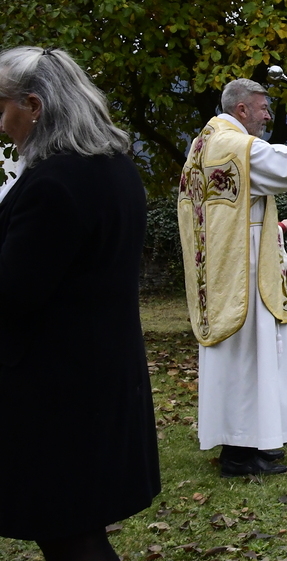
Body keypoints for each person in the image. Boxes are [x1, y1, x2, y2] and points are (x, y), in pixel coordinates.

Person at [0, 47, 160, 561]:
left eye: (2, 106)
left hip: (57, 386)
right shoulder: (114, 168)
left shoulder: (55, 183)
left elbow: (14, 292)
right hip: (100, 371)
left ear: (34, 105)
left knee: (69, 534)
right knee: (75, 529)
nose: (1, 122)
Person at [178, 77, 287, 477]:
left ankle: (253, 443)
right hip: (243, 270)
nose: (269, 117)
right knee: (248, 357)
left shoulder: (204, 143)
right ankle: (239, 454)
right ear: (241, 109)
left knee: (243, 358)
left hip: (222, 266)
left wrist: (268, 229)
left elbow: (234, 209)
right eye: (263, 108)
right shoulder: (236, 147)